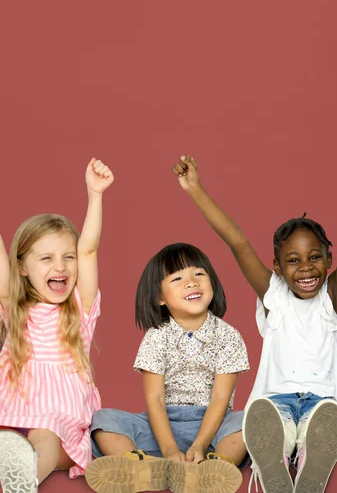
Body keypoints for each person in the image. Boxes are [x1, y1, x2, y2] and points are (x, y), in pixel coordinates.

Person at [173, 152, 337, 493]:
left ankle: (312, 461)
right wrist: (195, 188)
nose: (306, 268)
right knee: (274, 427)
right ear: (278, 268)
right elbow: (237, 241)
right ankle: (276, 463)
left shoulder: (333, 299)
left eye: (314, 258)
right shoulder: (274, 296)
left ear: (327, 259)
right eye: (293, 261)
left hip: (324, 405)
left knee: (321, 424)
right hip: (275, 401)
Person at [87, 243, 249, 493]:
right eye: (177, 278)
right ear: (159, 298)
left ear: (212, 284)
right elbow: (155, 399)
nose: (192, 282)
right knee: (103, 419)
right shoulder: (156, 337)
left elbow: (220, 398)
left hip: (213, 426)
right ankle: (139, 466)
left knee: (247, 421)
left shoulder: (229, 336)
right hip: (162, 425)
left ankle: (216, 468)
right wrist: (169, 449)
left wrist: (200, 444)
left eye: (199, 274)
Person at [0, 158, 114, 491]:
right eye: (46, 258)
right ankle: (12, 464)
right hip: (9, 414)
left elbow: (89, 249)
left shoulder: (79, 308)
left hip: (56, 422)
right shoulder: (14, 306)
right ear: (22, 268)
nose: (60, 266)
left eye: (67, 256)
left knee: (44, 440)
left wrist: (95, 194)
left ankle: (20, 482)